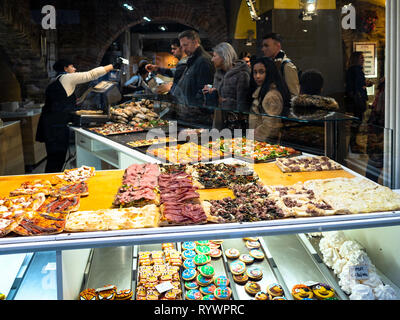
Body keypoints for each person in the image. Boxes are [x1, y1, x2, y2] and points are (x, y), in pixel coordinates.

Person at [36, 59, 116, 173]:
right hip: (56, 125)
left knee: (54, 157)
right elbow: (91, 74)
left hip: (50, 123)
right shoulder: (67, 77)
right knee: (57, 158)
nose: (75, 69)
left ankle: (51, 181)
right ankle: (51, 185)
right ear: (65, 68)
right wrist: (111, 66)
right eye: (72, 66)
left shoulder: (56, 79)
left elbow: (60, 100)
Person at [202, 42, 251, 130]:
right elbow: (217, 99)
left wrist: (223, 101)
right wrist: (210, 94)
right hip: (219, 121)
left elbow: (243, 105)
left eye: (214, 56)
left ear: (224, 56)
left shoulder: (241, 74)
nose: (212, 59)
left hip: (235, 127)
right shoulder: (218, 74)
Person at [173, 30, 215, 125]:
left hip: (197, 117)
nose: (183, 49)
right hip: (189, 115)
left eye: (185, 45)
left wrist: (193, 109)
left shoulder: (203, 61)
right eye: (182, 46)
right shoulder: (194, 59)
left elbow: (205, 89)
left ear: (195, 42)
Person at [248, 57, 291, 142]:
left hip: (264, 143)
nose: (257, 76)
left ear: (269, 73)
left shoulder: (271, 95)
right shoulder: (262, 92)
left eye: (261, 72)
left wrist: (256, 138)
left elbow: (270, 125)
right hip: (259, 142)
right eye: (255, 72)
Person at [345, 51, 372, 153]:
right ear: (356, 59)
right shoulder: (356, 70)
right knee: (357, 122)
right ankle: (353, 144)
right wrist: (364, 86)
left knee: (355, 123)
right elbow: (357, 86)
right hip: (357, 101)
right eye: (361, 58)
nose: (363, 60)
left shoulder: (350, 70)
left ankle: (353, 144)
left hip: (353, 100)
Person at [261, 33, 300, 97]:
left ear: (277, 46)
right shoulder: (270, 64)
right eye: (263, 46)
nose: (263, 49)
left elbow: (294, 95)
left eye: (266, 46)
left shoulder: (286, 66)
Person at [366, 77, 385, 182]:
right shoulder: (385, 90)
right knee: (376, 159)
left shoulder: (383, 90)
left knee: (375, 160)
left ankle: (369, 182)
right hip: (380, 130)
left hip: (378, 130)